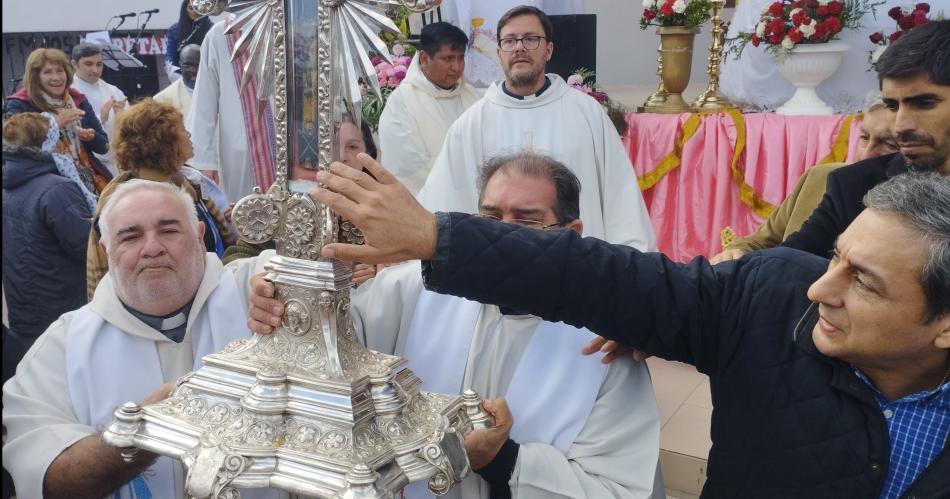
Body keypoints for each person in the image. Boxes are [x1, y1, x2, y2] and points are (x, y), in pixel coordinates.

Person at [305, 146, 950, 498]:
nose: (820, 288)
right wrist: (434, 240)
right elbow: (597, 277)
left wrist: (507, 463)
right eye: (836, 258)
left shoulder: (598, 356)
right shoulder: (770, 299)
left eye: (862, 281)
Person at [248, 152, 663, 498]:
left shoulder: (606, 341)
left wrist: (505, 461)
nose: (503, 237)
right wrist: (283, 304)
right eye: (490, 217)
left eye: (527, 221)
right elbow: (340, 334)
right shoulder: (418, 288)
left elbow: (619, 488)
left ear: (572, 234)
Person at [2, 180, 283, 499]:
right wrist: (144, 430)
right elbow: (48, 476)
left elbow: (303, 272)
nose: (152, 248)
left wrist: (287, 294)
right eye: (130, 236)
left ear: (200, 236)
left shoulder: (249, 289)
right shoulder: (61, 348)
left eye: (169, 230)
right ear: (106, 251)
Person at [416, 6, 655, 250]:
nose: (519, 47)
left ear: (548, 50)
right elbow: (441, 204)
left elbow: (620, 199)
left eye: (530, 39)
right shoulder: (471, 124)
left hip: (578, 271)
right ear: (499, 53)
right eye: (510, 41)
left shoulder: (587, 113)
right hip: (495, 270)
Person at [781, 20, 950, 257]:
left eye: (924, 103)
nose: (900, 126)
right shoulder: (854, 186)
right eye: (892, 106)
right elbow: (788, 264)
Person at [711, 91, 899, 263]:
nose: (866, 154)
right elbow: (759, 243)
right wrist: (735, 253)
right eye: (864, 138)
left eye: (889, 144)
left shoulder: (913, 214)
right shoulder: (819, 178)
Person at [86, 99, 235, 299]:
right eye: (183, 130)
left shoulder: (188, 183)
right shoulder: (125, 204)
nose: (189, 136)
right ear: (163, 141)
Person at [225, 116, 379, 286]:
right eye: (330, 143)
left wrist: (381, 269)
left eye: (352, 147)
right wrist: (264, 281)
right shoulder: (287, 199)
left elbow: (405, 259)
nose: (341, 156)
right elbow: (235, 264)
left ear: (369, 154)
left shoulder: (382, 205)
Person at [2, 112, 96, 387]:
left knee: (37, 378)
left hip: (24, 303)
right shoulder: (57, 189)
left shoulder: (9, 183)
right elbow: (84, 246)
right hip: (62, 300)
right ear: (48, 142)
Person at [378, 22, 481, 195]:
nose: (456, 67)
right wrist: (460, 187)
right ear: (425, 58)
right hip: (428, 203)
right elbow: (407, 164)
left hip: (477, 198)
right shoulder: (402, 101)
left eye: (461, 57)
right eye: (448, 58)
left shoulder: (472, 96)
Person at [188, 12, 276, 202]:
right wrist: (205, 161)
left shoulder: (294, 26)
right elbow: (204, 102)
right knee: (247, 215)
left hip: (292, 149)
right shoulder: (220, 35)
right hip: (240, 155)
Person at [3, 47, 112, 194]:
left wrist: (90, 137)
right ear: (35, 76)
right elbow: (14, 150)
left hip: (88, 175)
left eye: (60, 71)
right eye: (48, 72)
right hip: (45, 181)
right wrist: (53, 124)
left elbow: (104, 146)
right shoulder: (19, 103)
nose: (56, 78)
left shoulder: (77, 98)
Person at [69, 42, 128, 175]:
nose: (95, 70)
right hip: (87, 165)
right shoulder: (68, 93)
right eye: (88, 64)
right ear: (74, 64)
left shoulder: (114, 91)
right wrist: (102, 118)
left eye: (99, 64)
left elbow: (132, 130)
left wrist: (122, 117)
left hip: (118, 163)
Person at [165, 0, 213, 82]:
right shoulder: (175, 30)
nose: (194, 11)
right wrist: (175, 74)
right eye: (191, 8)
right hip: (182, 77)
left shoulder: (211, 29)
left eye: (197, 8)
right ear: (185, 9)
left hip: (207, 76)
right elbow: (170, 57)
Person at [154, 44, 201, 120]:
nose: (194, 70)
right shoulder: (162, 100)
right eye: (188, 65)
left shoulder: (218, 92)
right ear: (180, 66)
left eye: (198, 65)